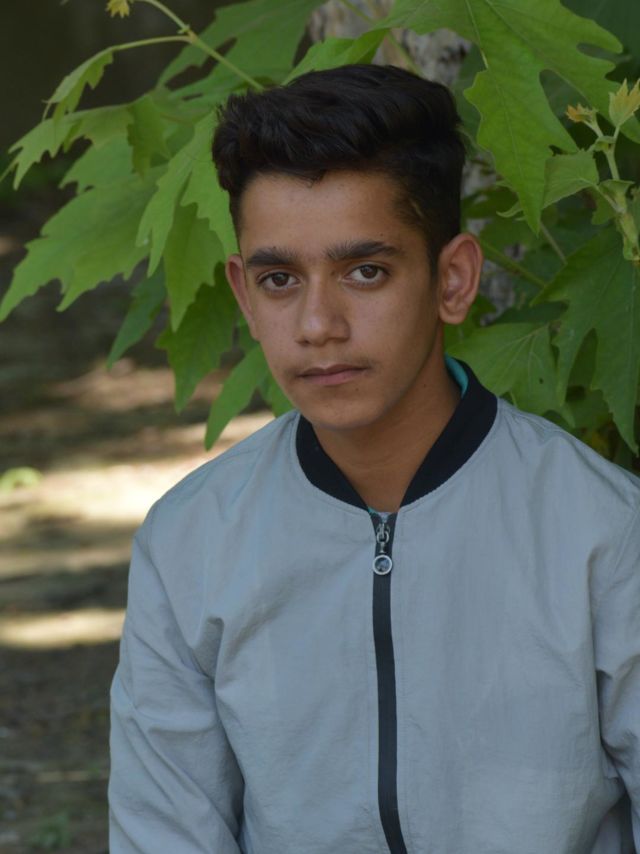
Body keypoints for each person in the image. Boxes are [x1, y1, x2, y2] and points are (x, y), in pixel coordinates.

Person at [108, 64, 640, 853]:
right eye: (280, 279)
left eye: (366, 272)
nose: (318, 324)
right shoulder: (191, 541)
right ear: (245, 296)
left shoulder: (605, 531)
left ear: (453, 279)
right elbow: (163, 834)